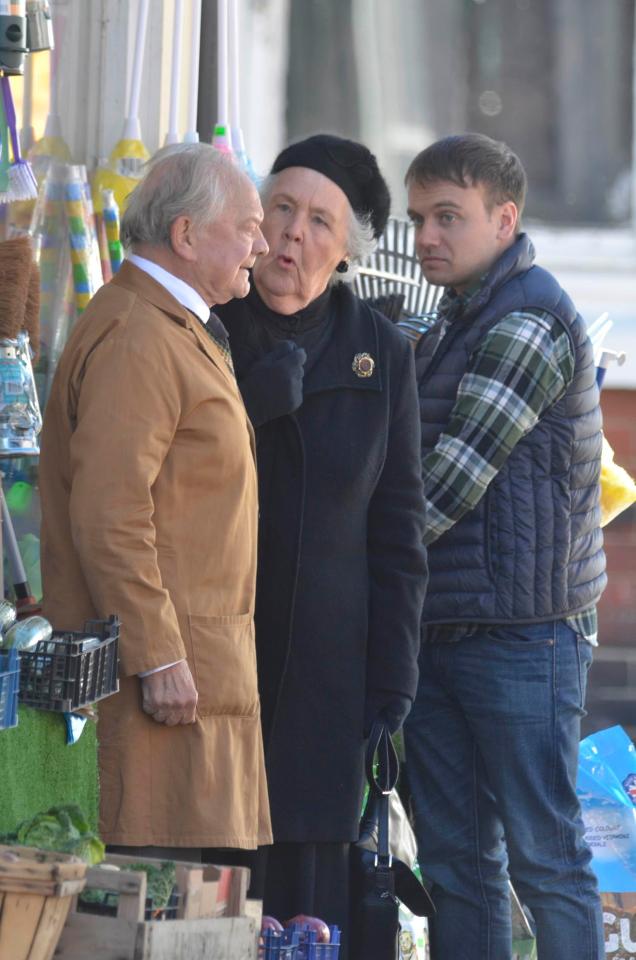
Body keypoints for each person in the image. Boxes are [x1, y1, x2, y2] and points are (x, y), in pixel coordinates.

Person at [215, 134, 428, 949]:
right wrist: (248, 407)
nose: (293, 234)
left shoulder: (383, 353)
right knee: (217, 867)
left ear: (344, 253)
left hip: (327, 673)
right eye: (281, 208)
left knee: (307, 889)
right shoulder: (209, 323)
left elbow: (399, 531)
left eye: (319, 222)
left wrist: (393, 678)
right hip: (216, 656)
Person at [402, 133, 607, 960]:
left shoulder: (525, 319)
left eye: (448, 217)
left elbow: (444, 487)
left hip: (523, 638)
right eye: (418, 218)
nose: (425, 238)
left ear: (505, 217)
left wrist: (344, 564)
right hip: (447, 628)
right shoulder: (457, 316)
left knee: (545, 860)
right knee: (457, 865)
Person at [38, 143, 272, 859]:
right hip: (157, 684)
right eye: (249, 225)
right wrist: (158, 654)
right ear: (186, 235)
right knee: (147, 898)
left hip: (191, 674)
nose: (262, 246)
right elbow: (111, 514)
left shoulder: (164, 324)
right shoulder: (141, 334)